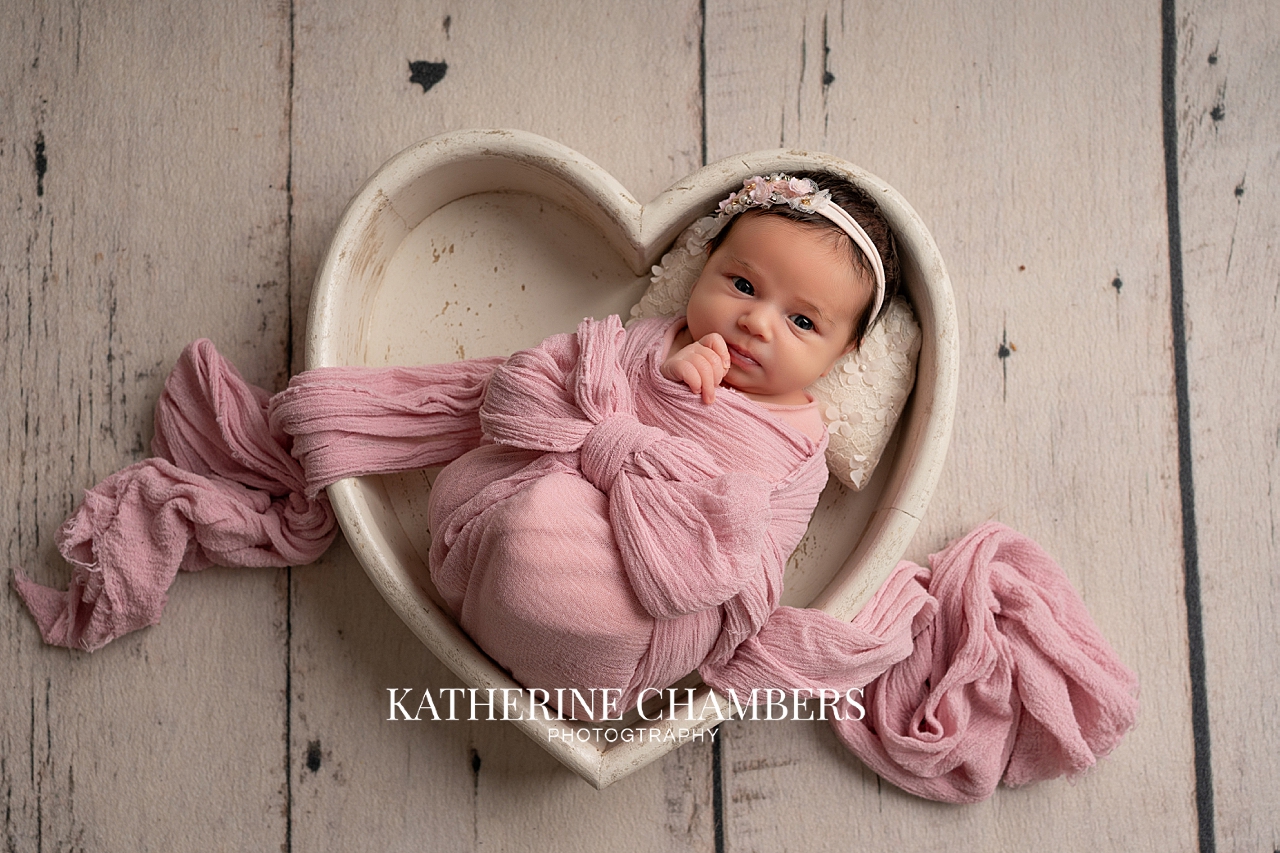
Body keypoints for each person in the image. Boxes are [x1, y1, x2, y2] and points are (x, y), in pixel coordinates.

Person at [423, 172, 904, 718]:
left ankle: (553, 632)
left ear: (845, 349)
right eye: (743, 286)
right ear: (705, 266)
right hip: (553, 486)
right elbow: (576, 381)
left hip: (655, 587)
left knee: (553, 548)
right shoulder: (657, 340)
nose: (756, 323)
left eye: (801, 321)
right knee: (530, 516)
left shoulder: (800, 448)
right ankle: (508, 579)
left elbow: (759, 560)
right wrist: (658, 381)